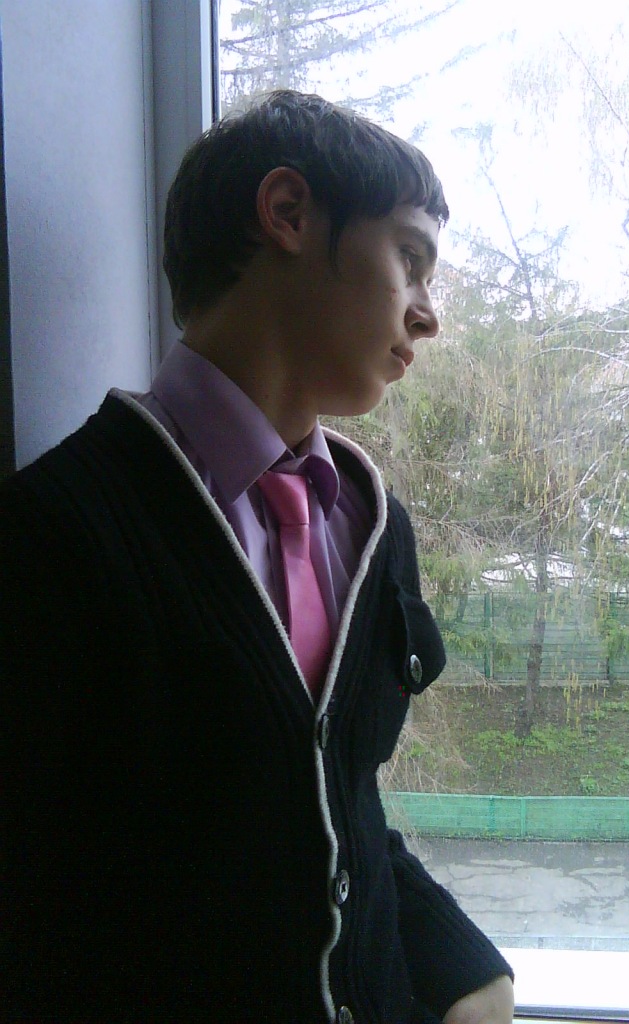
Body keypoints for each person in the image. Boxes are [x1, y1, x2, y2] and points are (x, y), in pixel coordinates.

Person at [0, 90, 514, 1023]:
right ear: (287, 213)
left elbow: (334, 804)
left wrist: (459, 964)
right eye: (409, 258)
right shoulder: (49, 539)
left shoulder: (373, 527)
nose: (429, 316)